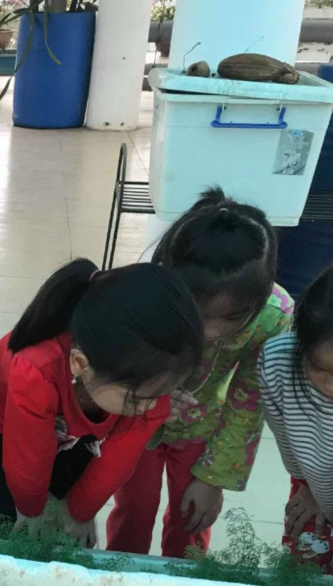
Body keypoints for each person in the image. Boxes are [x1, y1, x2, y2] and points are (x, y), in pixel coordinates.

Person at [106, 190, 293, 557]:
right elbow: (117, 371)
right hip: (138, 419)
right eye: (198, 312)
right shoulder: (147, 296)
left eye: (234, 316)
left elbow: (248, 403)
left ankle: (185, 583)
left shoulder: (273, 315)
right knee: (133, 511)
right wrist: (151, 403)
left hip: (205, 427)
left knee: (192, 519)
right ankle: (121, 576)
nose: (210, 331)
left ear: (258, 297)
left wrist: (213, 477)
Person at [0, 260, 204, 548]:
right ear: (80, 364)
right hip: (8, 417)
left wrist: (80, 511)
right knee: (19, 521)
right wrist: (31, 508)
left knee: (73, 519)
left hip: (84, 409)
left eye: (162, 394)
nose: (152, 408)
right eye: (142, 399)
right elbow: (27, 458)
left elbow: (118, 458)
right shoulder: (36, 367)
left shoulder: (146, 380)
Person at [260, 256, 333, 575]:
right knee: (303, 580)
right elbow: (286, 437)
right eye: (320, 368)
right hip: (314, 486)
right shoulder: (278, 363)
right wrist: (308, 486)